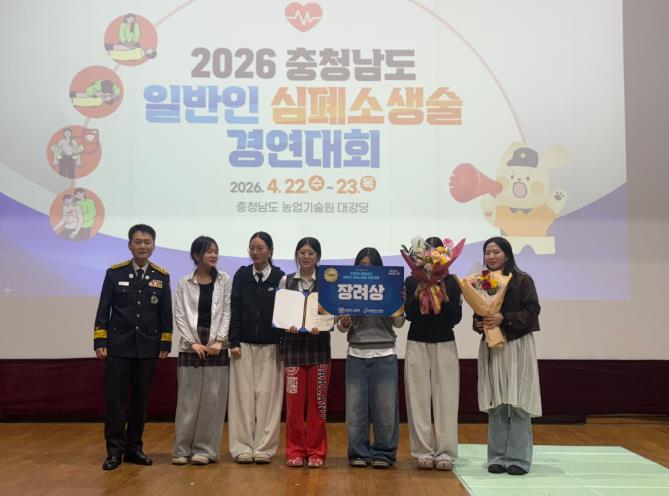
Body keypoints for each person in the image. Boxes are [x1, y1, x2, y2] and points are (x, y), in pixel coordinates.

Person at [93, 224, 172, 471]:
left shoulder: (161, 276)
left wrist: (165, 341)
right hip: (118, 346)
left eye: (147, 242)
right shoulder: (114, 273)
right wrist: (100, 341)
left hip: (147, 347)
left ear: (154, 246)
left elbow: (165, 313)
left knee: (141, 400)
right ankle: (114, 451)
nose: (142, 246)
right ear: (129, 245)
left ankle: (134, 448)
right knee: (116, 400)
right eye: (138, 242)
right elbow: (103, 309)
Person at [473, 236, 542, 476]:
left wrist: (505, 318)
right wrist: (479, 323)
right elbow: (478, 313)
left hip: (517, 345)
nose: (491, 257)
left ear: (507, 254)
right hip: (492, 346)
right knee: (497, 403)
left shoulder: (522, 280)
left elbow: (532, 311)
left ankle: (519, 459)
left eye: (496, 252)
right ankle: (497, 457)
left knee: (518, 402)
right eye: (487, 253)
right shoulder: (482, 282)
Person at [337, 247, 405, 469]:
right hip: (356, 354)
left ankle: (384, 453)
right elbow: (341, 327)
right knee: (355, 410)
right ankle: (358, 452)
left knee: (386, 408)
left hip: (384, 354)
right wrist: (344, 322)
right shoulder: (349, 287)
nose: (365, 269)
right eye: (361, 265)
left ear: (378, 268)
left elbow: (399, 323)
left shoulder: (389, 286)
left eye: (370, 266)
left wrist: (396, 302)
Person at [403, 236, 462, 471]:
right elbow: (409, 315)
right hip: (417, 341)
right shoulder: (411, 280)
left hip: (445, 342)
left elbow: (455, 318)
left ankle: (445, 452)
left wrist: (444, 298)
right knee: (417, 398)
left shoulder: (452, 282)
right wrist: (417, 293)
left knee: (446, 398)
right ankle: (423, 451)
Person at [172, 236, 232, 466]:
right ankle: (181, 449)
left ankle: (205, 450)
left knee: (213, 401)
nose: (214, 255)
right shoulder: (184, 282)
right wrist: (191, 342)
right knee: (187, 400)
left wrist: (220, 340)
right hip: (191, 346)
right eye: (209, 251)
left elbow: (227, 312)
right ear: (196, 255)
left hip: (216, 345)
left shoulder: (224, 280)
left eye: (215, 251)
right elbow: (179, 314)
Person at [228, 231, 285, 464]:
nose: (255, 252)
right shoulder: (241, 275)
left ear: (270, 251)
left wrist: (283, 344)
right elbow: (234, 308)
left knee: (269, 400)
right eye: (252, 248)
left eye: (260, 248)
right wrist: (233, 341)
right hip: (243, 345)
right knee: (241, 399)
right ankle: (242, 446)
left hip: (272, 346)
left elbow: (284, 315)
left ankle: (264, 448)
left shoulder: (281, 278)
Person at [279, 237, 333, 468]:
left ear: (318, 257)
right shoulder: (286, 280)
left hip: (319, 349)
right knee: (294, 406)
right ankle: (295, 451)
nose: (306, 256)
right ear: (296, 255)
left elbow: (332, 314)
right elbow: (281, 314)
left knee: (317, 405)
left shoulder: (327, 281)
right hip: (293, 350)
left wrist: (323, 324)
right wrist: (286, 325)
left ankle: (316, 452)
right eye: (302, 252)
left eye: (311, 253)